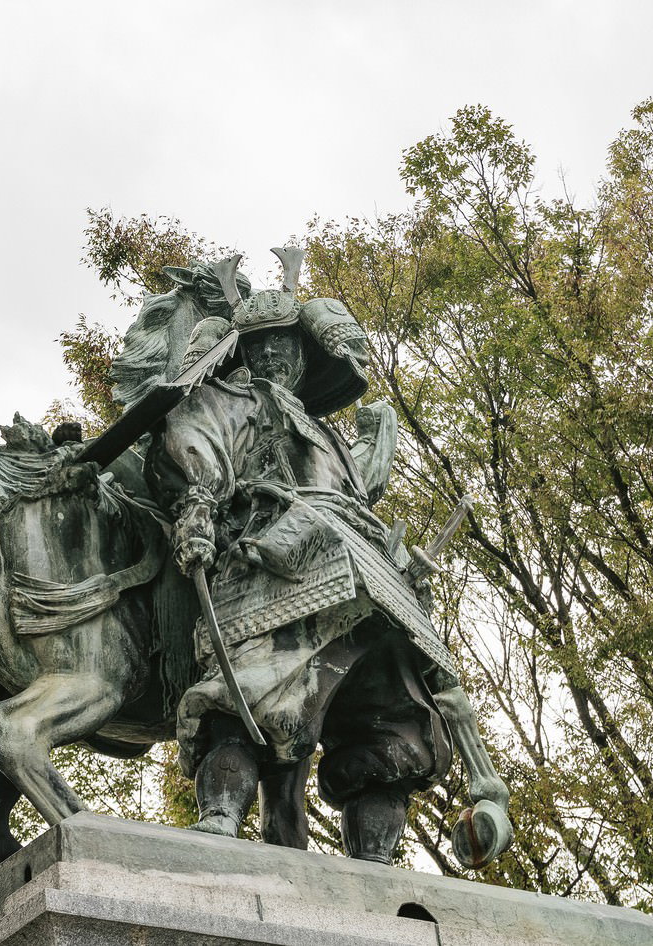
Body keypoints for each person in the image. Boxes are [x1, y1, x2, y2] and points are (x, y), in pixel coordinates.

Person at [146, 254, 456, 862]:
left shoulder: (327, 434)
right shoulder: (239, 401)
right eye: (257, 347)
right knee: (255, 693)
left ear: (304, 351)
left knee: (390, 721)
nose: (269, 357)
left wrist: (378, 437)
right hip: (276, 564)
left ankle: (375, 859)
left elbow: (358, 488)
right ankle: (222, 818)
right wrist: (201, 503)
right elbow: (195, 435)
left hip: (368, 576)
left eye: (281, 344)